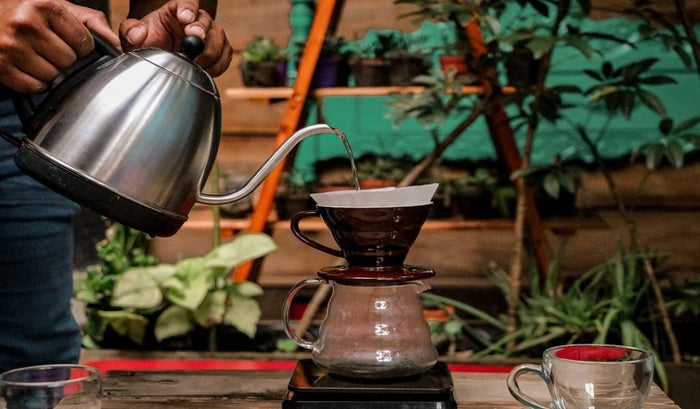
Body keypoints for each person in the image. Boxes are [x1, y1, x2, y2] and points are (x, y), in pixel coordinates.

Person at [0, 0, 233, 373]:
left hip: (52, 80)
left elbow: (173, 14)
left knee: (33, 357)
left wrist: (171, 23)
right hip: (39, 69)